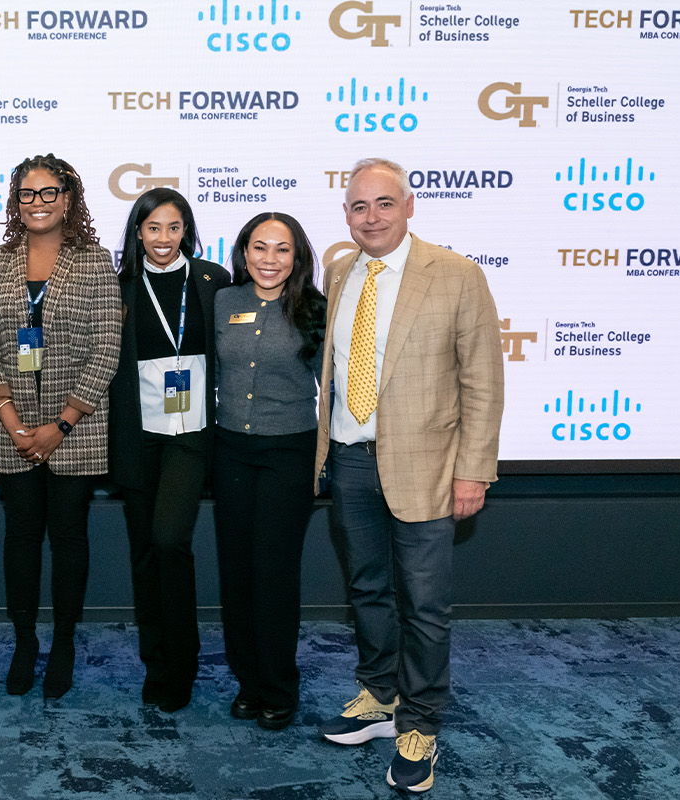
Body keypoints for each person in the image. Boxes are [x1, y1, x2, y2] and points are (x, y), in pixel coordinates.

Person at [314, 158, 503, 792]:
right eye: (358, 206)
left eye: (384, 203)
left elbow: (483, 382)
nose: (371, 217)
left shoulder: (456, 274)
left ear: (409, 206)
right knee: (368, 590)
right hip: (349, 460)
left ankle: (420, 723)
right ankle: (378, 695)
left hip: (428, 468)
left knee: (424, 606)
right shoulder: (340, 272)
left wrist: (473, 471)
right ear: (346, 214)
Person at [0, 154, 121, 699]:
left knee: (69, 540)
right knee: (20, 540)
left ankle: (62, 644)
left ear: (68, 198)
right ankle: (24, 642)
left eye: (48, 192)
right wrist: (12, 422)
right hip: (12, 431)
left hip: (76, 431)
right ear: (15, 201)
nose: (38, 203)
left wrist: (61, 424)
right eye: (27, 193)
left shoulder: (94, 261)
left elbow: (107, 348)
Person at [108, 188, 230, 712]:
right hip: (137, 436)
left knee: (169, 540)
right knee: (145, 552)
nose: (164, 238)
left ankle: (182, 663)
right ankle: (155, 660)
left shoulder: (213, 281)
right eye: (153, 227)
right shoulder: (119, 287)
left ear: (187, 230)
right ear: (138, 232)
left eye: (174, 227)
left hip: (192, 434)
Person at [213, 212, 326, 731]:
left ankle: (279, 687)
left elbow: (333, 385)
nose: (269, 259)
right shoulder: (223, 301)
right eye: (260, 247)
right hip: (231, 450)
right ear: (244, 252)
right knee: (237, 572)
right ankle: (248, 683)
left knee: (274, 574)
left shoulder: (315, 308)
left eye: (282, 249)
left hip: (289, 452)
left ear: (296, 257)